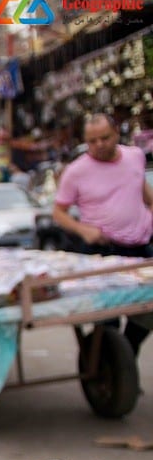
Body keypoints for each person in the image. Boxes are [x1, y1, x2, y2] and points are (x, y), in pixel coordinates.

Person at [51, 113, 153, 355]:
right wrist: (83, 230)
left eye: (104, 138)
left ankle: (126, 353)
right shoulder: (75, 171)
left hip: (139, 247)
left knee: (146, 311)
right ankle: (115, 365)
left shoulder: (135, 156)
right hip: (102, 250)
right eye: (92, 141)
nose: (99, 145)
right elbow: (58, 212)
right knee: (108, 319)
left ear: (116, 134)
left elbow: (142, 189)